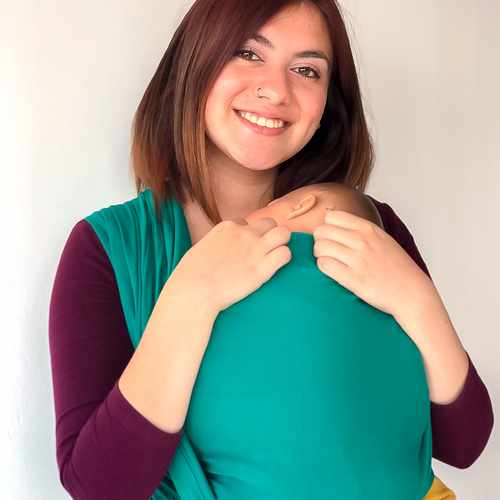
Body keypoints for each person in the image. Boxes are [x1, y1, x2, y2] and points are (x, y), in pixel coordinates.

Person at [49, 0, 493, 499]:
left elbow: (461, 445)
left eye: (306, 70)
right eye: (248, 53)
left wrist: (415, 299)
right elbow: (98, 486)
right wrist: (191, 295)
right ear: (194, 65)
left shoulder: (371, 226)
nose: (277, 90)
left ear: (328, 104)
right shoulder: (106, 249)